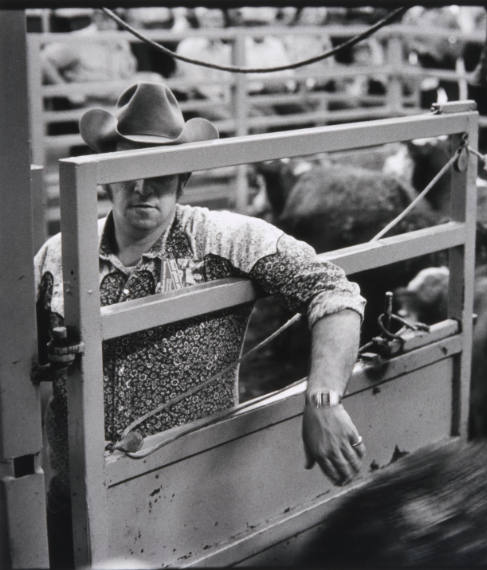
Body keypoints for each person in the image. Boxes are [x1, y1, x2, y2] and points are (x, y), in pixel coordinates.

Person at [34, 82, 367, 567]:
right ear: (104, 176)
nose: (142, 186)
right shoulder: (57, 255)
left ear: (182, 178)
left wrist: (323, 398)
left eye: (159, 172)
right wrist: (49, 353)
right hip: (73, 492)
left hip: (184, 495)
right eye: (127, 169)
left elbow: (334, 290)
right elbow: (23, 357)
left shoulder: (224, 239)